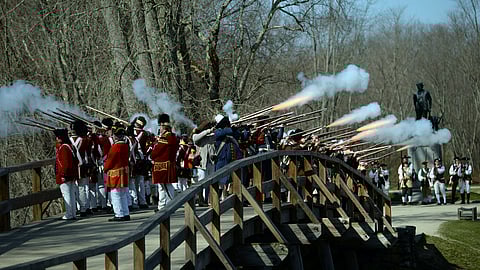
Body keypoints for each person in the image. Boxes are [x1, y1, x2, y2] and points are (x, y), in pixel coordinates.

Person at [104, 122, 130, 221]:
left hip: (116, 173)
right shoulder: (125, 145)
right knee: (123, 194)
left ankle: (119, 214)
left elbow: (110, 161)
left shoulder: (115, 147)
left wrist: (105, 169)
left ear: (116, 136)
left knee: (115, 194)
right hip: (124, 172)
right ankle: (125, 212)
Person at [151, 113, 178, 211]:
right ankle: (162, 206)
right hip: (168, 164)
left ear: (163, 127)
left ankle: (170, 204)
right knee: (162, 187)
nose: (160, 129)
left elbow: (155, 152)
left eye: (161, 127)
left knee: (165, 186)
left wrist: (155, 144)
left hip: (163, 165)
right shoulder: (171, 136)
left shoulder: (165, 137)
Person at [214, 115, 243, 199]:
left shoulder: (229, 132)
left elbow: (238, 135)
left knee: (229, 180)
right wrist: (231, 129)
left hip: (231, 159)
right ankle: (218, 198)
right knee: (221, 180)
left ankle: (226, 196)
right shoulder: (218, 131)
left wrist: (237, 128)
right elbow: (223, 133)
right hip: (222, 159)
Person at [54, 128, 78, 220]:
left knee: (66, 195)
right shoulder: (68, 146)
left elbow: (65, 164)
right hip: (70, 174)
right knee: (71, 194)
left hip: (65, 175)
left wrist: (62, 174)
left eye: (57, 137)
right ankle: (73, 213)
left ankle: (69, 214)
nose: (56, 139)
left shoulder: (64, 148)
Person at [192, 120, 216, 206]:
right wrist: (208, 131)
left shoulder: (212, 136)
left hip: (211, 162)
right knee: (202, 182)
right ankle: (201, 200)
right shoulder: (197, 136)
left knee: (210, 182)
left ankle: (207, 199)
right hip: (202, 163)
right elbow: (195, 138)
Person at [130, 116, 149, 209]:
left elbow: (136, 142)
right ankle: (140, 201)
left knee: (138, 181)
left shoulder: (142, 134)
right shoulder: (140, 133)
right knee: (138, 182)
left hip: (138, 159)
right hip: (138, 159)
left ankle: (139, 201)